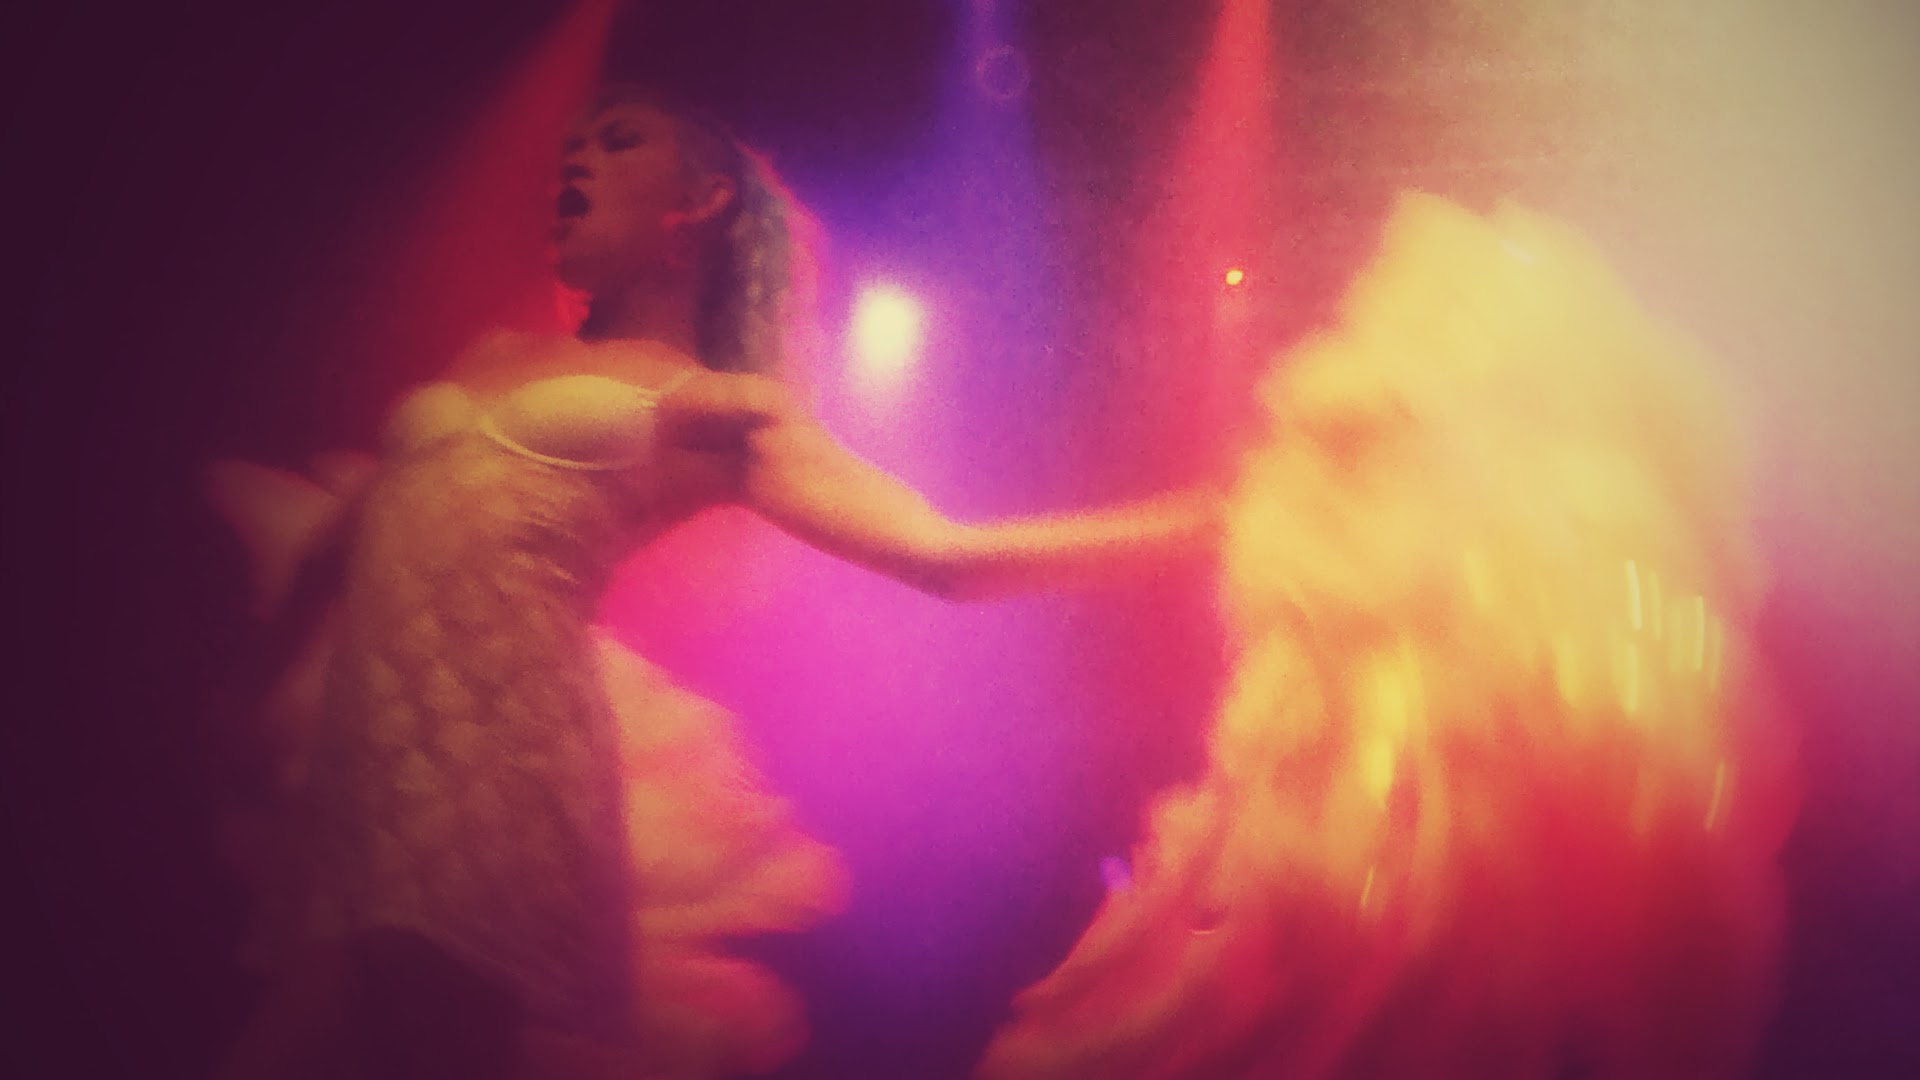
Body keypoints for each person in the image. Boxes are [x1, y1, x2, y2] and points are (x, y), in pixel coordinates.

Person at [208, 84, 1221, 1080]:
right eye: (576, 143)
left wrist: (1207, 519)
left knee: (341, 1029)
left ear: (699, 202)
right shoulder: (493, 355)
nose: (577, 156)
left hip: (495, 769)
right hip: (368, 773)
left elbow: (945, 558)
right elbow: (344, 546)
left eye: (620, 141)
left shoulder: (724, 408)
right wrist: (251, 694)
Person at [976, 195, 1800, 1079]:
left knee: (1367, 959)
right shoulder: (1350, 454)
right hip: (1333, 755)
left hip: (1390, 764)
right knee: (1308, 960)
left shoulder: (1478, 533)